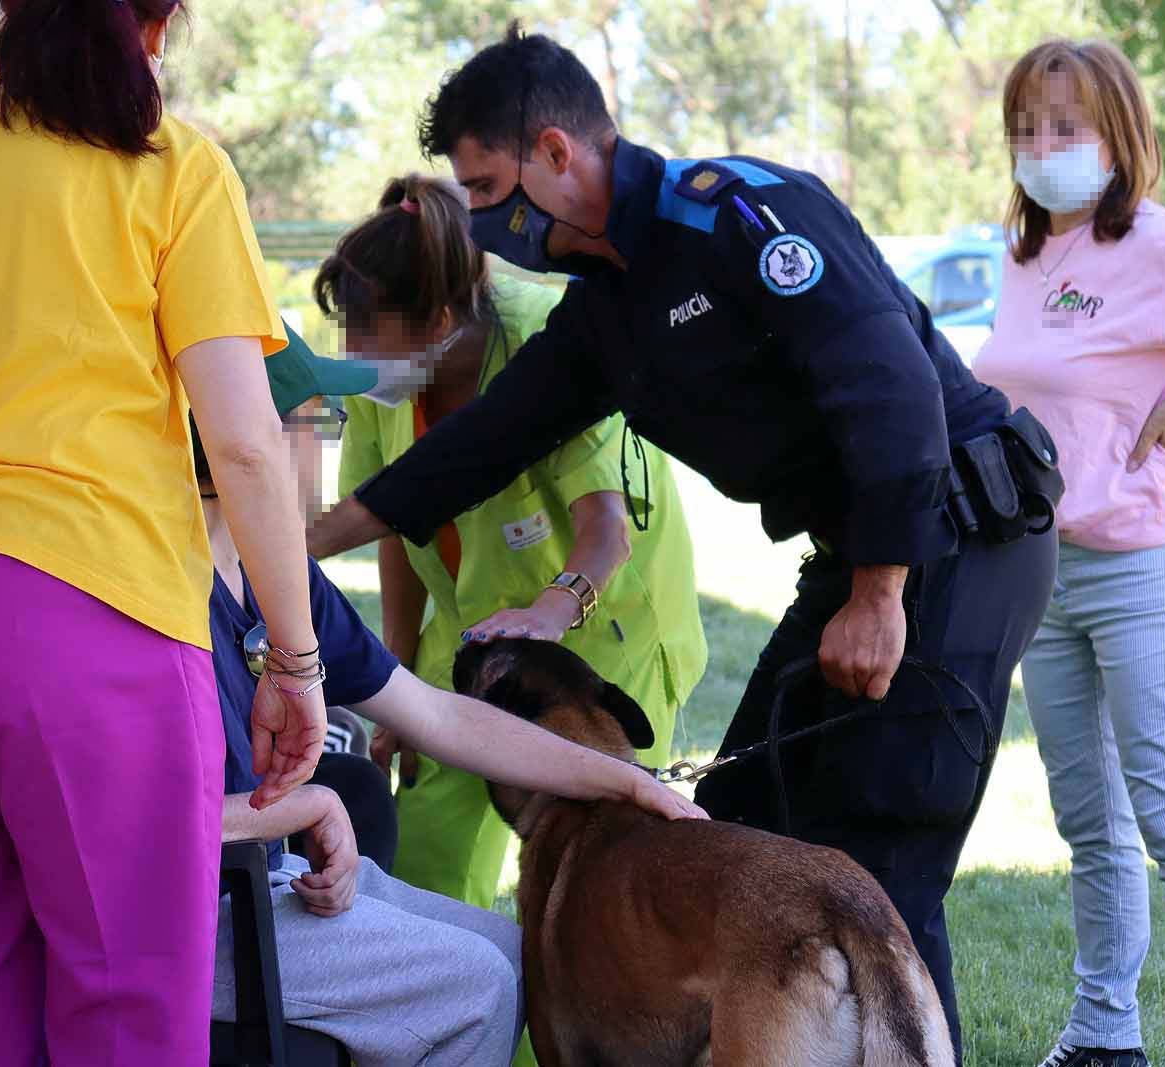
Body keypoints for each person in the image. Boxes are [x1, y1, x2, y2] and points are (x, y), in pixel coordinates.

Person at [306, 26, 1061, 1062]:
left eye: (484, 186)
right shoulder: (603, 310)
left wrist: (882, 593)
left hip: (949, 534)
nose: (477, 220)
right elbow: (470, 451)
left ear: (557, 155)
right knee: (730, 816)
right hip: (853, 555)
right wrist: (291, 545)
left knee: (881, 862)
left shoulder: (741, 213)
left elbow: (891, 389)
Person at [0, 2, 325, 1063]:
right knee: (127, 1008)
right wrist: (296, 657)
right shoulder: (173, 165)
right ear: (162, 27)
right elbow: (249, 445)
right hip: (83, 611)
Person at [194, 339, 706, 1063]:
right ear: (246, 436)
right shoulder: (164, 588)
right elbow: (128, 826)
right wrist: (304, 806)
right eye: (318, 420)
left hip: (264, 879)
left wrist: (626, 779)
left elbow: (437, 715)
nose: (328, 445)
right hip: (190, 914)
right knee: (482, 989)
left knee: (508, 948)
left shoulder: (277, 575)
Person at [973, 40, 1165, 1067]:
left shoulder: (1163, 245)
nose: (1041, 146)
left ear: (1119, 137)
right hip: (1041, 571)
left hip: (1147, 562)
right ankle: (1104, 1030)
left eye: (1065, 127)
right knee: (1088, 823)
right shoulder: (1020, 257)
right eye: (1025, 126)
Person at [314, 174, 707, 911]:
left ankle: (546, 1030)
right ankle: (448, 1021)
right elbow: (389, 519)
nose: (354, 352)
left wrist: (551, 612)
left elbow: (605, 531)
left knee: (594, 889)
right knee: (416, 875)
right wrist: (396, 663)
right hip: (465, 643)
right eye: (348, 331)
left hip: (594, 644)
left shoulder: (551, 342)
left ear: (437, 317)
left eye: (370, 332)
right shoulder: (384, 386)